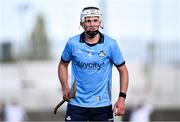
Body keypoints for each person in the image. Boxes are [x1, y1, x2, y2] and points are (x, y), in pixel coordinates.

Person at [58, 6, 129, 121]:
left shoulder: (111, 44)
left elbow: (123, 71)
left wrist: (122, 98)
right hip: (76, 105)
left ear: (100, 22)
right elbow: (62, 65)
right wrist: (65, 87)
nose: (92, 24)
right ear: (82, 23)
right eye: (88, 20)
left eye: (95, 20)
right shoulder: (72, 43)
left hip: (102, 105)